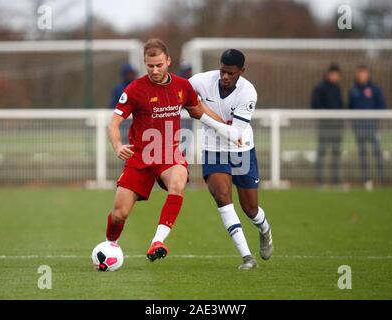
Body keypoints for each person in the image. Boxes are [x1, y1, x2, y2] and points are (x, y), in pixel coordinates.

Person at [103, 38, 233, 262]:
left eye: (159, 65)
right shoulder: (135, 89)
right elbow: (113, 122)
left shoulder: (183, 87)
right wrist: (117, 145)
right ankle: (109, 245)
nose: (154, 70)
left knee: (178, 180)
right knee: (119, 214)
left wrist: (225, 126)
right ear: (145, 64)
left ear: (168, 61)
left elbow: (198, 109)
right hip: (140, 157)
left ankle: (158, 241)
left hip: (169, 155)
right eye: (150, 66)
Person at [189, 49, 273, 270]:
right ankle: (247, 257)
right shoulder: (201, 81)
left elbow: (235, 134)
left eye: (231, 73)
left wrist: (202, 114)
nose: (225, 77)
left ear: (242, 72)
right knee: (221, 195)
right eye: (222, 71)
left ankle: (265, 230)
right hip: (212, 149)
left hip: (241, 150)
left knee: (250, 209)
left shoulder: (248, 92)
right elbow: (179, 90)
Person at [349, 65, 385, 190]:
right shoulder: (353, 90)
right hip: (359, 128)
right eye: (359, 73)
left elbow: (382, 106)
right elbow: (350, 108)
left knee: (377, 152)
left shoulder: (375, 89)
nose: (361, 75)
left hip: (372, 127)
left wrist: (375, 120)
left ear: (368, 74)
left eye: (363, 73)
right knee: (363, 154)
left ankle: (382, 180)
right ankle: (367, 181)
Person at [311, 63, 344, 186]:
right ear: (328, 74)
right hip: (324, 127)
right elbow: (315, 105)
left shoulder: (338, 88)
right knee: (322, 153)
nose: (335, 77)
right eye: (333, 74)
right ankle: (320, 182)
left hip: (337, 127)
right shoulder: (320, 88)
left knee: (336, 154)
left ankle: (336, 182)